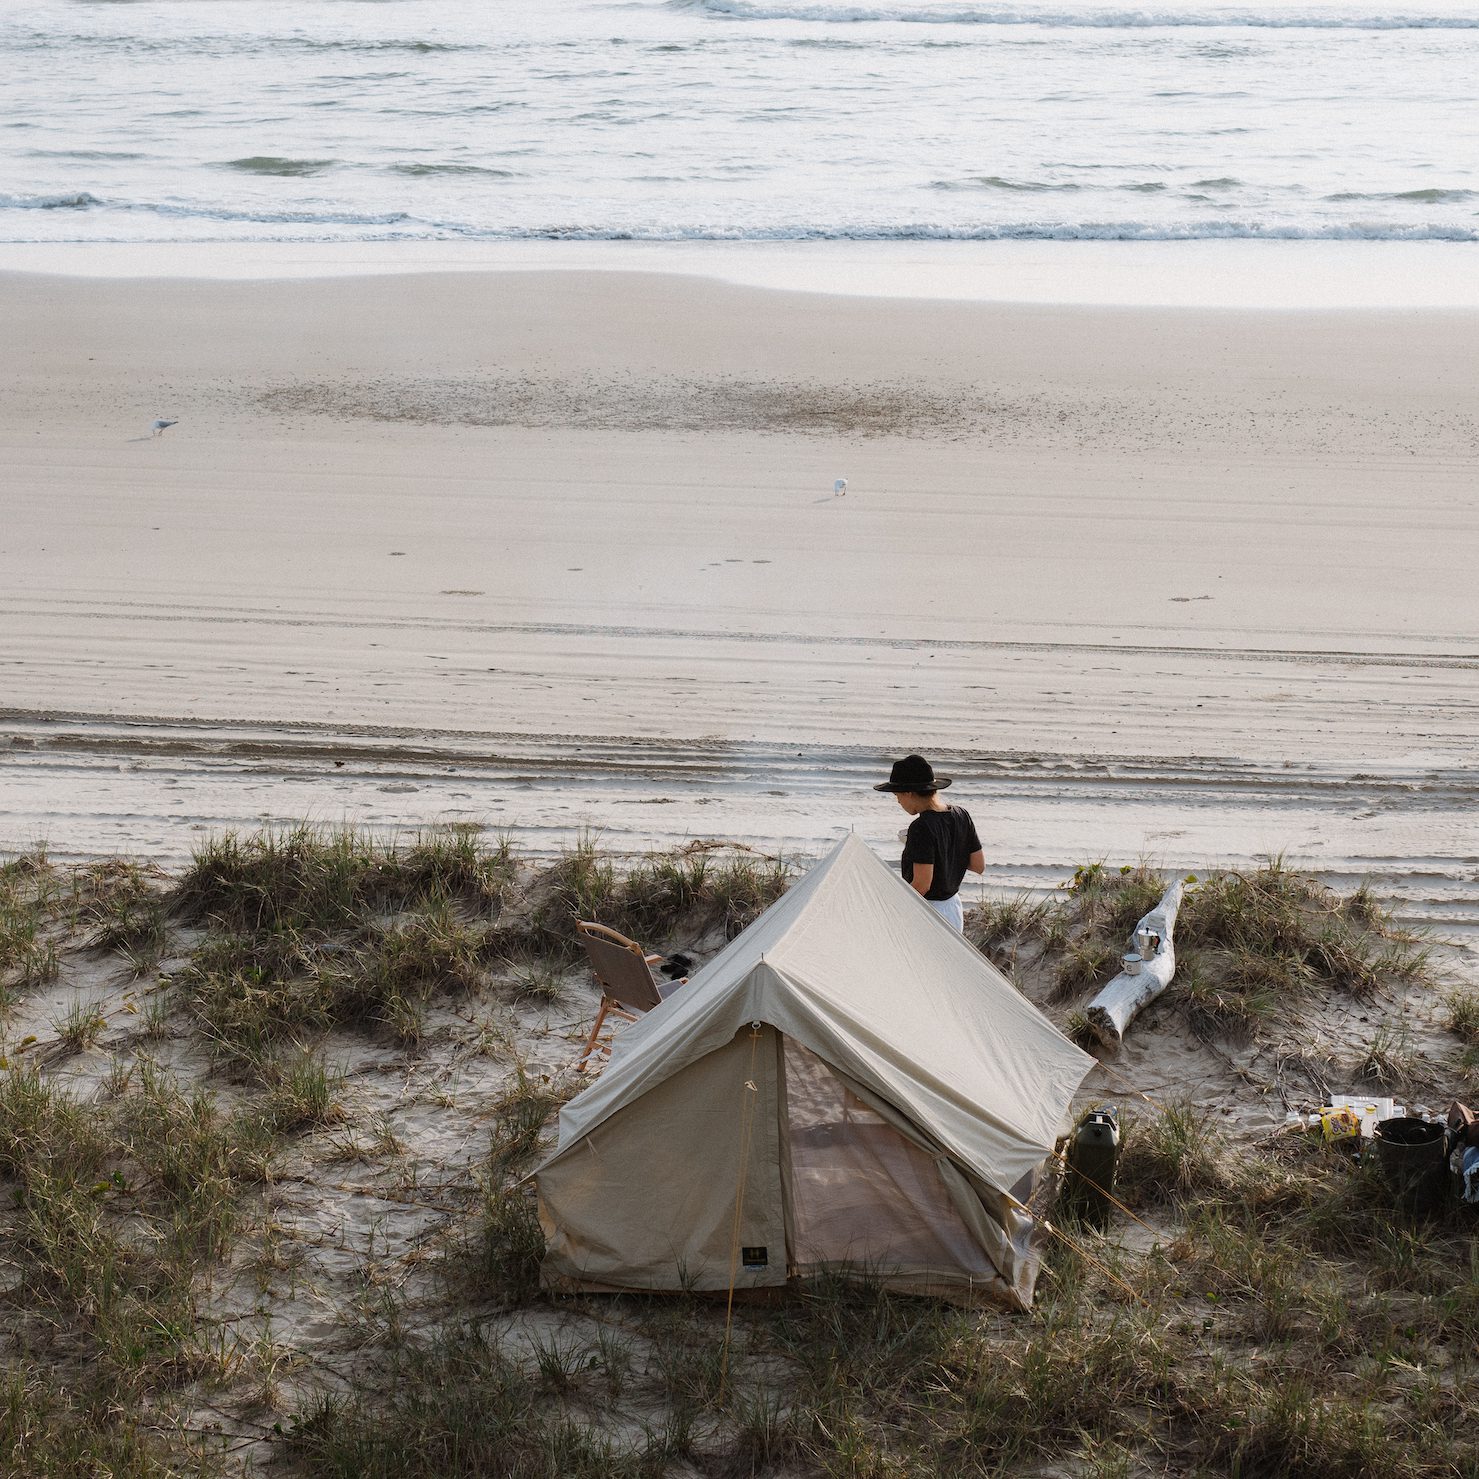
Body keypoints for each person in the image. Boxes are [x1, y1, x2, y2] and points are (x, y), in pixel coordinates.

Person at [873, 754, 984, 932]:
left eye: (897, 795)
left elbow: (922, 885)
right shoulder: (962, 815)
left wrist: (894, 912)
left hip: (929, 912)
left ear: (908, 793)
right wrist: (944, 850)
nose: (898, 801)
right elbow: (978, 865)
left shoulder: (921, 827)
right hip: (954, 909)